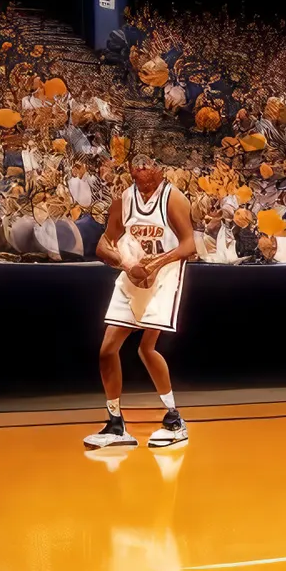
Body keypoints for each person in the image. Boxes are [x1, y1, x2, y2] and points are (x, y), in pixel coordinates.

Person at [84, 151, 196, 451]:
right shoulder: (123, 200)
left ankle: (174, 418)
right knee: (107, 350)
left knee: (148, 348)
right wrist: (126, 264)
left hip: (164, 276)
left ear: (160, 169)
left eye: (148, 165)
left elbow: (189, 245)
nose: (141, 170)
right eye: (137, 166)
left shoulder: (173, 199)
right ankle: (116, 424)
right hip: (133, 275)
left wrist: (156, 263)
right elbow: (103, 244)